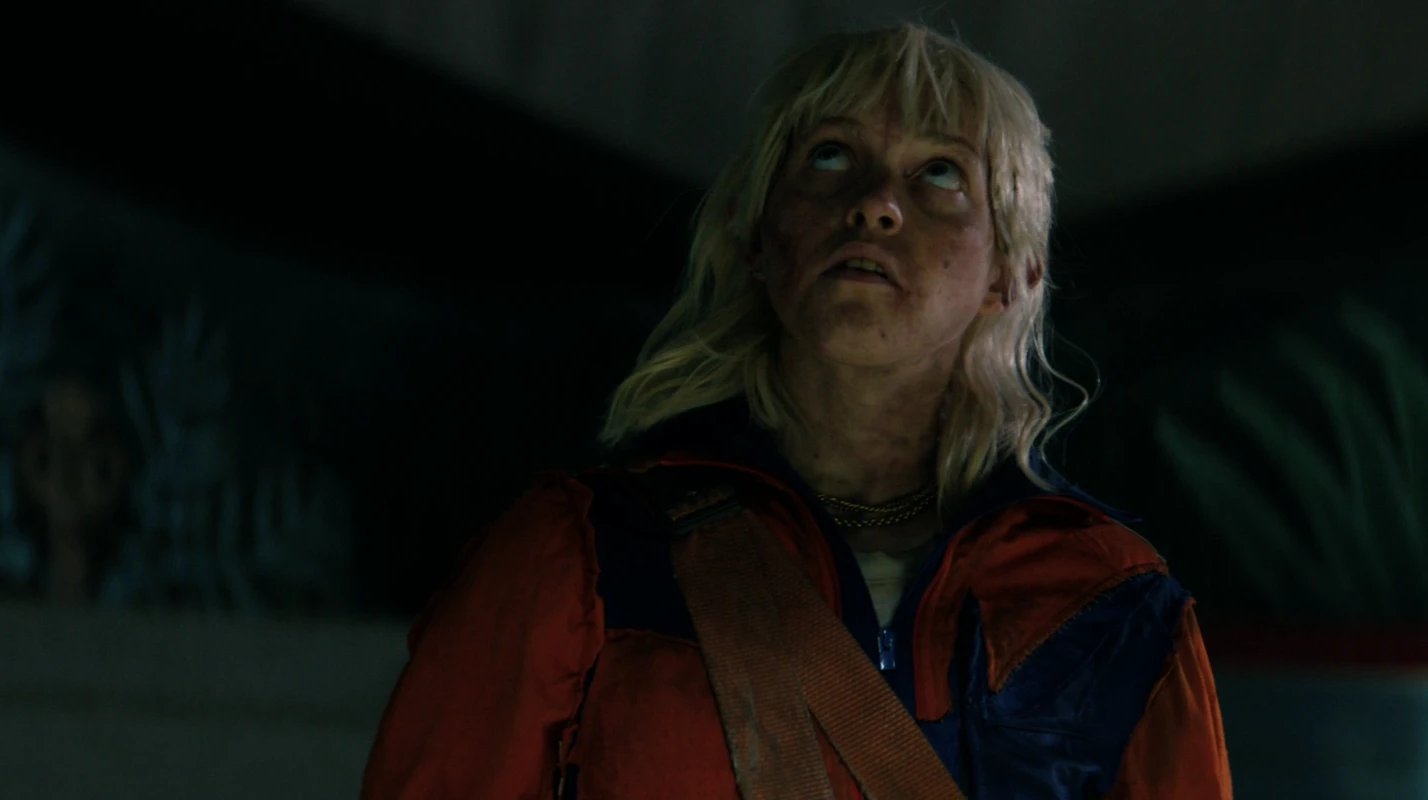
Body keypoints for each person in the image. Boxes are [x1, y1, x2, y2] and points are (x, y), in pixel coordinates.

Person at [359, 22, 1230, 800]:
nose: (875, 203)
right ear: (754, 231)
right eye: (830, 156)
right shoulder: (578, 555)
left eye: (939, 173)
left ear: (1013, 271)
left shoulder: (1110, 601)